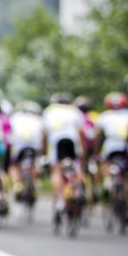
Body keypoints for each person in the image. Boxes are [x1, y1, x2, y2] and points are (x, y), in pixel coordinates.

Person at [41, 92, 87, 220]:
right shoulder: (74, 111)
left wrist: (44, 153)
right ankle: (77, 192)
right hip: (72, 140)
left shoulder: (49, 111)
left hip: (57, 141)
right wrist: (83, 154)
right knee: (76, 165)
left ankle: (60, 199)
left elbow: (44, 134)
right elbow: (81, 132)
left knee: (56, 169)